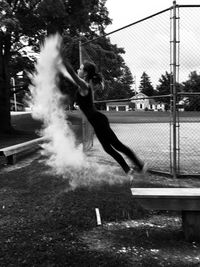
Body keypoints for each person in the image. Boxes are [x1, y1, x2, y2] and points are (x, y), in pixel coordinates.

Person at [60, 60, 147, 178]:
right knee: (108, 148)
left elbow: (71, 73)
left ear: (85, 73)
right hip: (96, 122)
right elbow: (69, 74)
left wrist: (61, 57)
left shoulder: (84, 85)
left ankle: (140, 166)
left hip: (99, 121)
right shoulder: (84, 84)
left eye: (80, 69)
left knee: (117, 146)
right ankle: (128, 171)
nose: (78, 70)